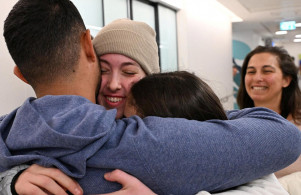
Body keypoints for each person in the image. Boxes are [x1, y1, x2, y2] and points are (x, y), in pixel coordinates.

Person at [1, 0, 301, 194]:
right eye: (104, 69)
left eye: (130, 71)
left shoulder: (16, 133)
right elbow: (281, 136)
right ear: (88, 48)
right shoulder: (147, 146)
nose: (114, 85)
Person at [237, 45, 301, 194]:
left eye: (267, 71)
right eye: (251, 71)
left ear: (286, 79)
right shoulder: (234, 126)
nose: (257, 78)